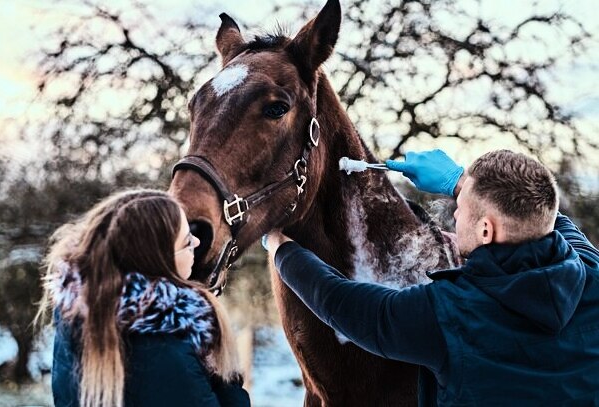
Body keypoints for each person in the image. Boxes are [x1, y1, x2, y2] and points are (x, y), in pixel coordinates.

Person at [263, 149, 599, 406]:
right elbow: (550, 218)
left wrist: (279, 246)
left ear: (485, 229)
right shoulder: (590, 272)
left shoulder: (453, 314)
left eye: (462, 208)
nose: (454, 212)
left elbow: (340, 302)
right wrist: (458, 182)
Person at [36, 189, 250, 407]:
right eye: (186, 242)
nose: (196, 242)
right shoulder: (170, 347)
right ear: (158, 261)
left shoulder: (74, 319)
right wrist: (223, 378)